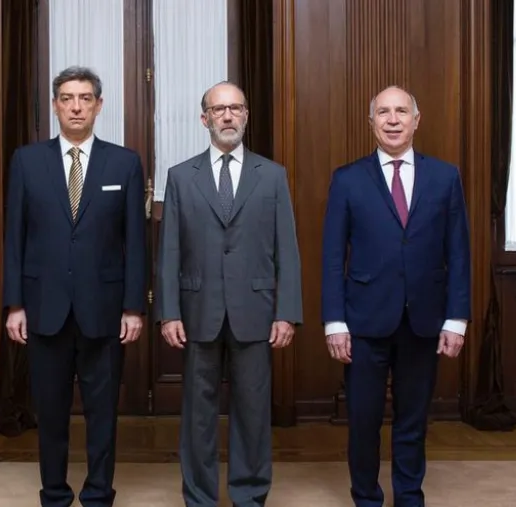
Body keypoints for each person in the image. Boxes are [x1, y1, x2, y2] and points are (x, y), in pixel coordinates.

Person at [2, 66, 146, 507]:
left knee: (103, 414)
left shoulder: (124, 162)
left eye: (85, 98)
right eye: (67, 98)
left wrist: (133, 307)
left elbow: (136, 242)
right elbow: (15, 238)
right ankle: (54, 493)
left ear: (99, 105)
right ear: (55, 106)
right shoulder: (27, 161)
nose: (76, 107)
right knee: (50, 414)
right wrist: (14, 304)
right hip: (44, 308)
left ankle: (99, 493)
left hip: (104, 310)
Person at [321, 85, 470, 507]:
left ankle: (409, 497)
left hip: (424, 320)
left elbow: (459, 252)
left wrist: (456, 319)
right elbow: (332, 256)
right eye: (383, 112)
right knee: (363, 422)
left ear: (416, 120)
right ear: (371, 122)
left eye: (401, 111)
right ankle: (366, 498)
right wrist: (334, 321)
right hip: (363, 322)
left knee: (413, 422)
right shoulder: (347, 179)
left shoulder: (445, 177)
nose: (392, 119)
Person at [155, 81, 303, 507]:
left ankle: (249, 496)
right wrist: (169, 312)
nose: (227, 116)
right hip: (197, 311)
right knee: (198, 417)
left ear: (246, 116)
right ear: (204, 118)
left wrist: (286, 312)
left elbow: (287, 249)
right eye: (218, 109)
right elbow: (169, 251)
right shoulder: (181, 176)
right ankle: (199, 498)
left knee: (253, 413)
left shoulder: (272, 175)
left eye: (236, 108)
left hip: (256, 312)